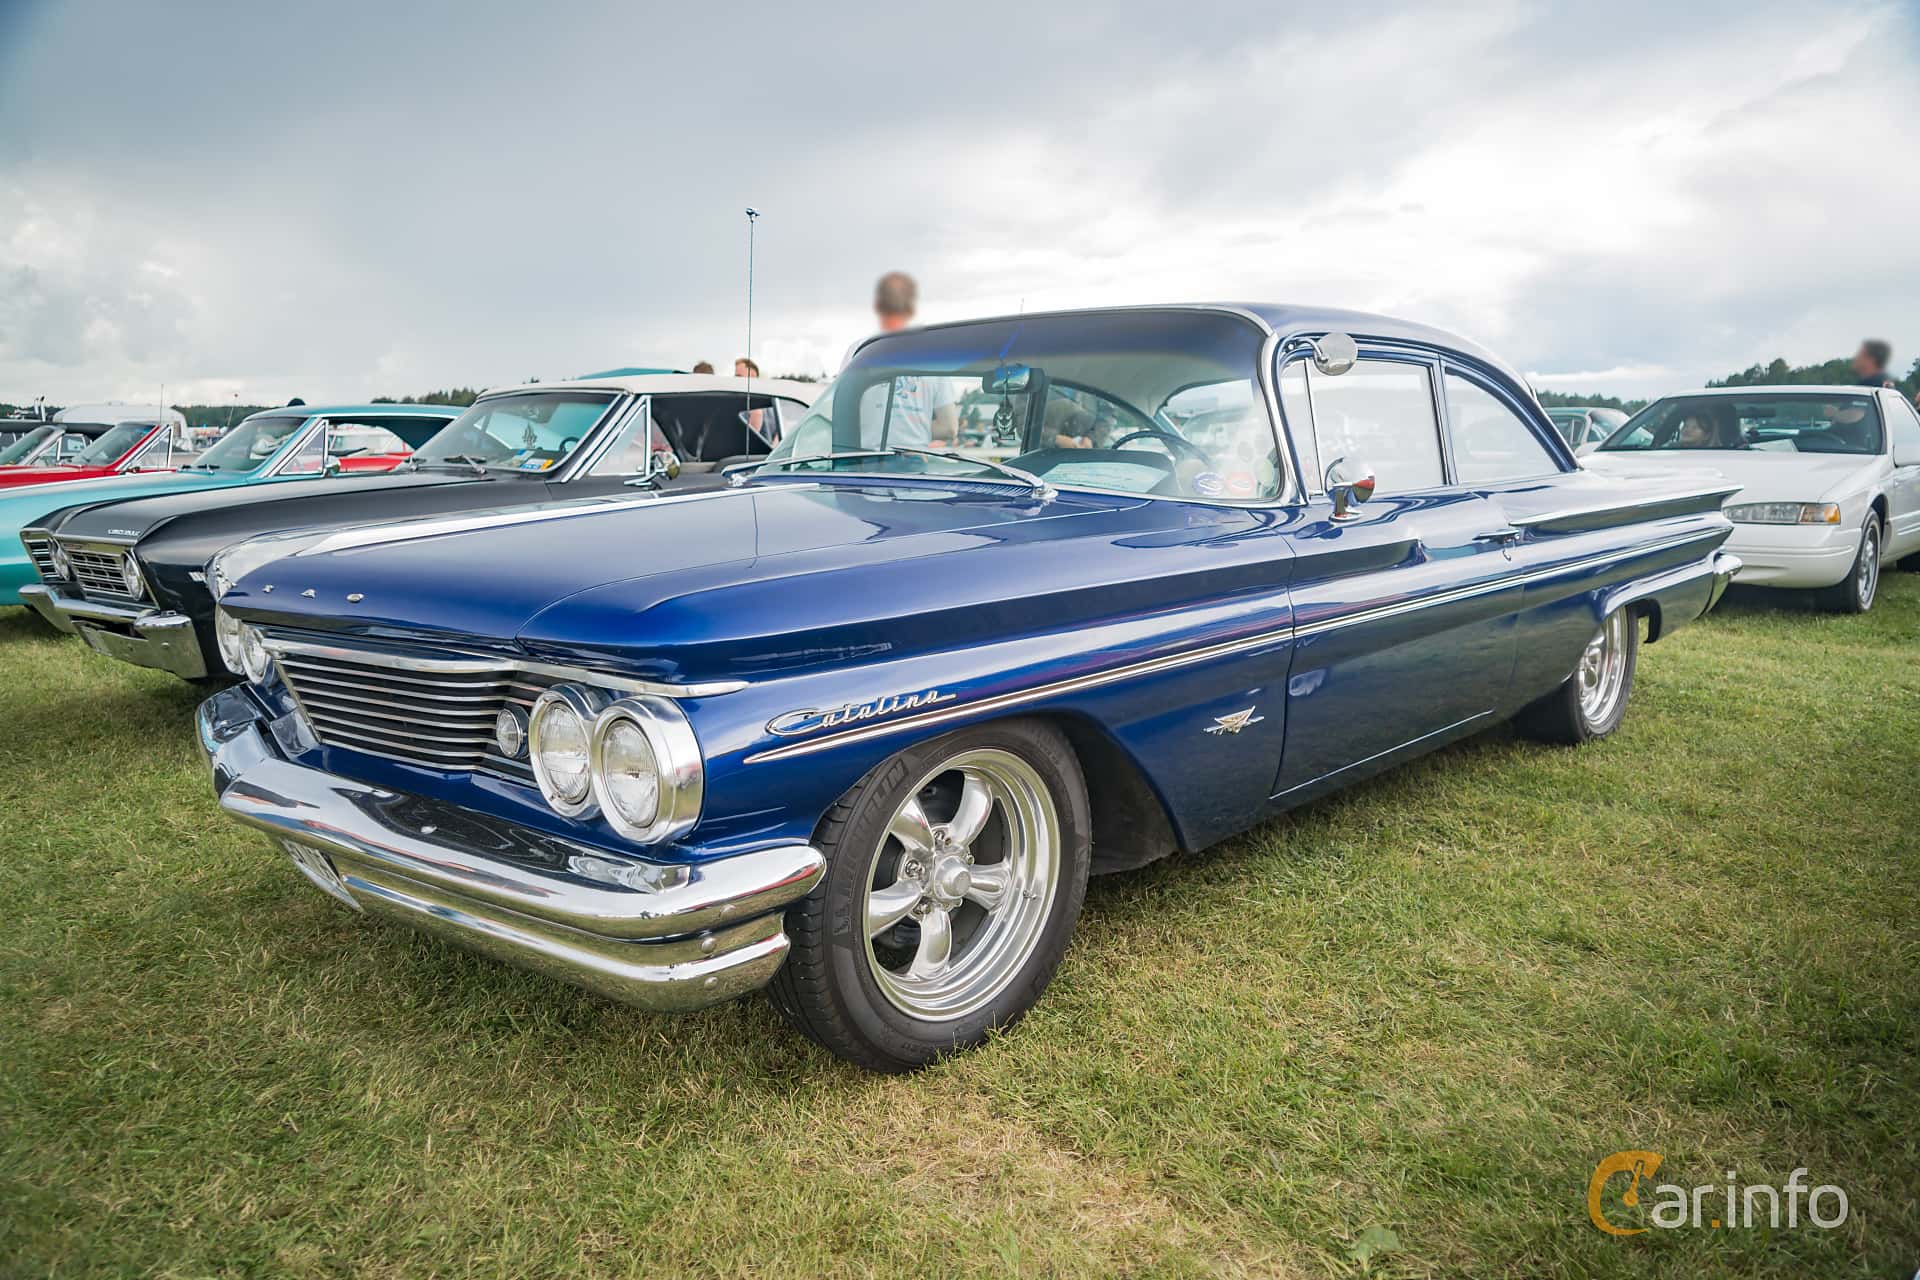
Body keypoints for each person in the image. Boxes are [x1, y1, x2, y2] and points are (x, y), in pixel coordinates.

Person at [858, 271, 959, 449]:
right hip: (913, 462)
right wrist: (915, 430)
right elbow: (949, 428)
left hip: (862, 463)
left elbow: (838, 413)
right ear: (912, 308)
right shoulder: (933, 358)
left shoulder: (861, 350)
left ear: (877, 305)